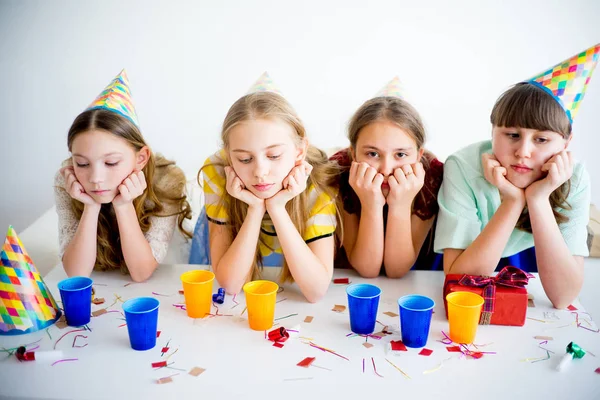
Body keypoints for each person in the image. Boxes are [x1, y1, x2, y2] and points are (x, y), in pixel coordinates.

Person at [435, 44, 599, 308]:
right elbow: (461, 281)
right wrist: (512, 202)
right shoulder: (463, 166)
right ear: (492, 132)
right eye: (512, 135)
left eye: (542, 139)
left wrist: (538, 198)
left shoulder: (575, 177)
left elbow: (563, 297)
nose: (523, 152)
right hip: (472, 263)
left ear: (566, 143)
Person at [195, 73, 338, 303]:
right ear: (229, 156)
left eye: (273, 155)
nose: (260, 171)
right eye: (244, 159)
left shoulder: (320, 178)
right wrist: (254, 209)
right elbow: (231, 285)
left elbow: (316, 291)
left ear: (300, 150)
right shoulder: (217, 171)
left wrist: (277, 207)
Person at [55, 70, 191, 282]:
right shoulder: (67, 178)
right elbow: (76, 274)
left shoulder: (167, 180)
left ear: (141, 158)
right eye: (82, 163)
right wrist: (90, 207)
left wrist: (123, 205)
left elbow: (141, 273)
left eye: (111, 163)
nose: (95, 178)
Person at [330, 77, 443, 278]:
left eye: (400, 155)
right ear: (353, 153)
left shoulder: (432, 174)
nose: (386, 168)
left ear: (418, 155)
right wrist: (370, 203)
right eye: (372, 154)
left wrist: (400, 204)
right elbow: (367, 269)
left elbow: (396, 270)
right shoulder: (339, 170)